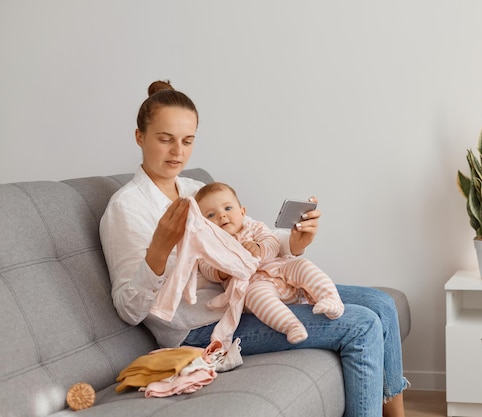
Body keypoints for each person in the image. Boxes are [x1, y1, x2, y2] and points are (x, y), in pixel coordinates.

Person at [99, 80, 408, 417]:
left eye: (187, 141)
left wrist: (295, 242)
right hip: (200, 327)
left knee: (381, 303)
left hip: (250, 292)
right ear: (139, 137)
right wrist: (158, 250)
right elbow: (128, 309)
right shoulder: (126, 209)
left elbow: (248, 237)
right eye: (165, 140)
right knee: (361, 323)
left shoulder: (195, 189)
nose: (178, 152)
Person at [194, 181, 344, 344]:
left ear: (243, 212)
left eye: (228, 208)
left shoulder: (253, 227)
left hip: (282, 270)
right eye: (210, 215)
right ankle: (291, 326)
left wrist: (259, 248)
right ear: (204, 225)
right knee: (254, 296)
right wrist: (226, 267)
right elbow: (207, 268)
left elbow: (272, 242)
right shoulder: (209, 245)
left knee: (303, 265)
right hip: (255, 284)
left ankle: (331, 299)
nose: (221, 216)